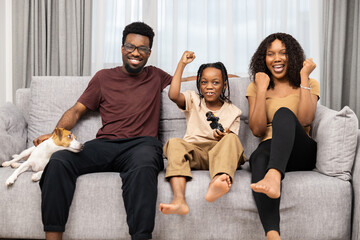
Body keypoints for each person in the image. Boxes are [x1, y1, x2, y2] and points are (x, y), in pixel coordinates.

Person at [34, 22, 173, 240]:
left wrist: (224, 75)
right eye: (130, 47)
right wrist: (56, 135)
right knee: (59, 161)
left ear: (149, 53)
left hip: (142, 145)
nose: (135, 53)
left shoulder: (156, 76)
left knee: (144, 166)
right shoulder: (103, 77)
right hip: (105, 145)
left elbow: (189, 83)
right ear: (121, 48)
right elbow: (77, 110)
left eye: (142, 49)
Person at [246, 32, 320, 240]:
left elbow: (305, 119)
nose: (277, 58)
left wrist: (304, 76)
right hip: (270, 149)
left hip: (300, 151)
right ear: (264, 59)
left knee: (283, 115)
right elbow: (258, 130)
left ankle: (274, 175)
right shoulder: (256, 86)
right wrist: (261, 90)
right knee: (258, 157)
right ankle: (272, 234)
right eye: (271, 54)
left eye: (283, 53)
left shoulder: (309, 82)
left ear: (292, 56)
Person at [159, 51, 246, 215]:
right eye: (204, 82)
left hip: (219, 153)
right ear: (199, 84)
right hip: (195, 152)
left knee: (232, 140)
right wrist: (182, 64)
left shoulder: (234, 111)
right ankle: (179, 200)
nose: (209, 87)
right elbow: (173, 95)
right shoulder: (193, 99)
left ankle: (218, 180)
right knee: (174, 143)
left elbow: (231, 143)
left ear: (224, 85)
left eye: (215, 82)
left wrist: (226, 135)